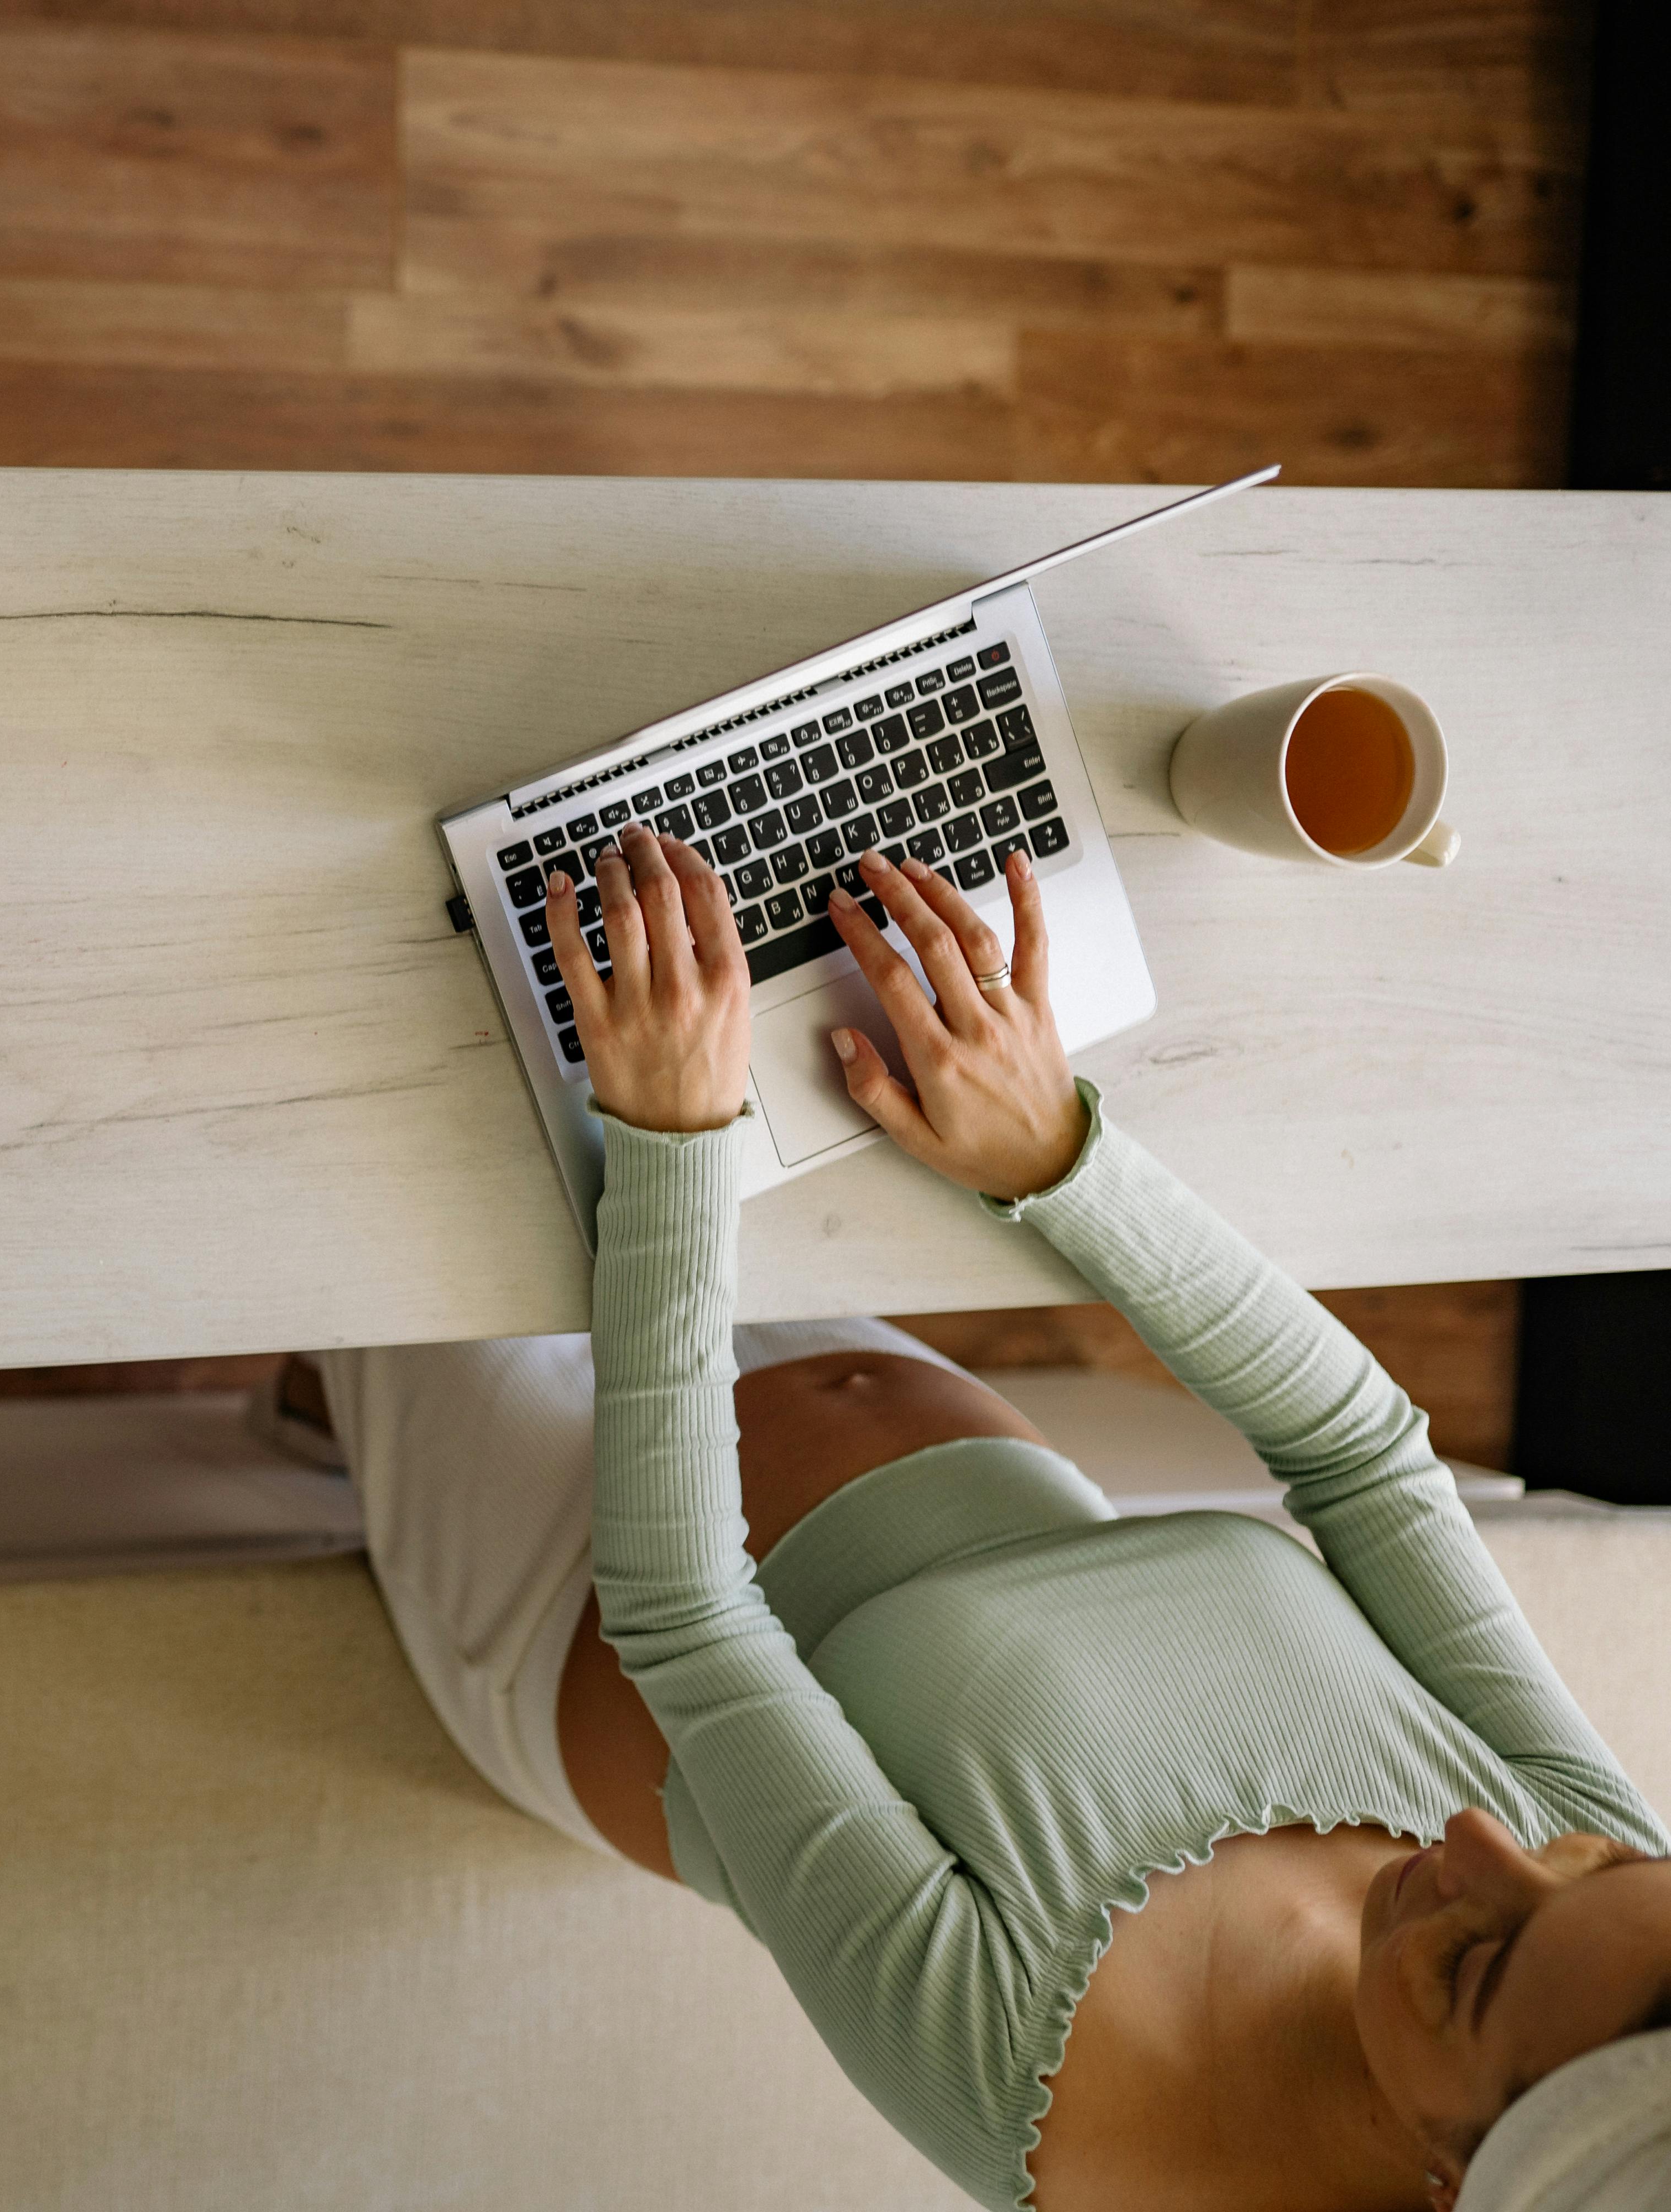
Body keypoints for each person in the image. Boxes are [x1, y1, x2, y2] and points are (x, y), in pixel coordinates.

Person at [286, 823, 1671, 2211]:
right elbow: (1365, 1455)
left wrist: (668, 1145)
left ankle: (332, 1416)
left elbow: (688, 1615)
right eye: (1594, 1862)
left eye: (1473, 1966)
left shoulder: (1064, 2100)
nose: (1484, 1841)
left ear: (1455, 2184)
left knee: (333, 1047)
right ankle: (316, 1411)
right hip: (830, 1371)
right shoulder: (1620, 1932)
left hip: (563, 1579)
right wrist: (1062, 1156)